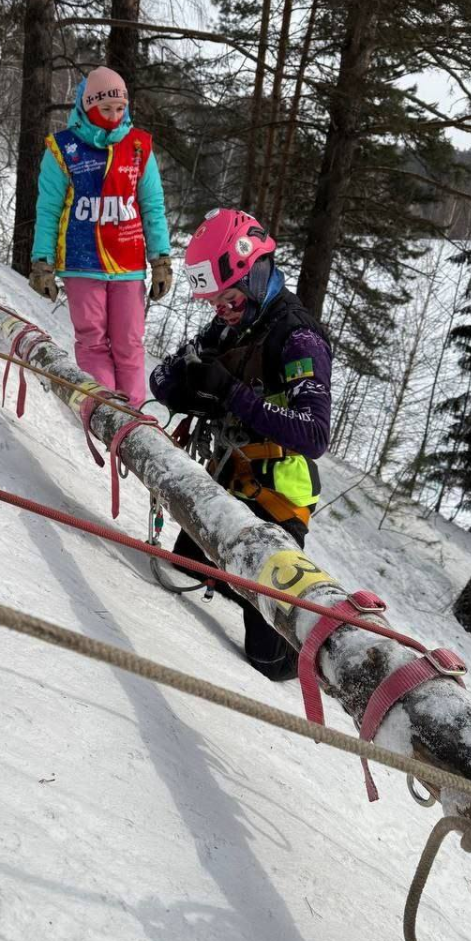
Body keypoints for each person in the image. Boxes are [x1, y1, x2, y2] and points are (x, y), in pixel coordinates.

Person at [149, 208, 332, 681]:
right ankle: (246, 588)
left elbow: (313, 434)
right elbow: (163, 379)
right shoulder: (233, 324)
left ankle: (319, 645)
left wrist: (231, 393)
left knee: (269, 661)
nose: (219, 310)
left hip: (277, 502)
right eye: (213, 302)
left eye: (226, 298)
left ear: (255, 273)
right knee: (187, 562)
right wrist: (194, 385)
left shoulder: (298, 338)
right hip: (231, 485)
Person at [28, 66, 171, 406]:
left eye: (120, 109)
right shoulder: (63, 149)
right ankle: (105, 410)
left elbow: (153, 206)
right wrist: (42, 263)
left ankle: (134, 415)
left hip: (128, 263)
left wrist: (161, 259)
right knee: (92, 340)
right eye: (105, 109)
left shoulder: (139, 147)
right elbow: (48, 209)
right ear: (87, 106)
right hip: (82, 261)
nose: (113, 116)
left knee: (129, 342)